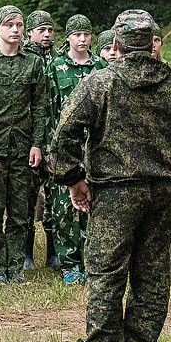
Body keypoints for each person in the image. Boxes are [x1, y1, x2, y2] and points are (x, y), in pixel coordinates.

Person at [53, 9, 171, 342]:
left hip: (115, 194)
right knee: (152, 271)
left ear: (116, 43)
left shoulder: (100, 82)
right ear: (153, 42)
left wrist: (74, 179)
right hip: (161, 193)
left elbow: (65, 134)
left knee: (107, 271)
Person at [0, 5, 49, 284]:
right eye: (9, 25)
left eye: (19, 25)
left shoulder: (32, 63)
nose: (15, 30)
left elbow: (39, 107)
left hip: (23, 148)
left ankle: (15, 267)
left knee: (20, 211)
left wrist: (36, 144)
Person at [47, 14, 108, 283]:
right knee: (64, 209)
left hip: (95, 148)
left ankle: (90, 261)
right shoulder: (56, 67)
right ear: (68, 37)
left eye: (86, 34)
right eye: (77, 35)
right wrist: (50, 152)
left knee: (94, 205)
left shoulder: (101, 67)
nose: (82, 39)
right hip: (67, 149)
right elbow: (49, 110)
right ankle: (69, 264)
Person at [22, 9, 57, 269]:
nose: (46, 35)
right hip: (29, 138)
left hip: (54, 139)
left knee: (54, 199)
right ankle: (26, 254)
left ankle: (54, 253)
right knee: (27, 199)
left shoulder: (59, 59)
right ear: (29, 32)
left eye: (50, 30)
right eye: (41, 30)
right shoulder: (22, 58)